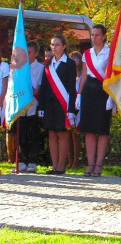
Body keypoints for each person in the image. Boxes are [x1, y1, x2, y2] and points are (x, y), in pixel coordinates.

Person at [77, 25, 114, 177]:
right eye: (92, 35)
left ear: (104, 36)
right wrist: (79, 94)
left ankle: (99, 164)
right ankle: (90, 164)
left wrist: (112, 95)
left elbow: (113, 75)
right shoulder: (87, 53)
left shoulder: (110, 52)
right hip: (89, 91)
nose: (94, 38)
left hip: (104, 91)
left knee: (102, 129)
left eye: (97, 35)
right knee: (89, 129)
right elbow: (84, 75)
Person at [38, 34, 77, 174]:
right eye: (52, 45)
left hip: (63, 103)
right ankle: (54, 166)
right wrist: (41, 106)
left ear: (64, 46)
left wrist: (71, 108)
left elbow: (72, 87)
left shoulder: (70, 63)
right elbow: (44, 86)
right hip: (49, 104)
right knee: (52, 133)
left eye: (57, 44)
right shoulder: (48, 63)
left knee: (62, 133)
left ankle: (61, 166)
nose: (54, 47)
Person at [14, 41, 45, 173]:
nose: (27, 55)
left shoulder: (40, 68)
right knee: (22, 134)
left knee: (33, 134)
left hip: (33, 105)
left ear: (36, 53)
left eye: (30, 52)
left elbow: (39, 88)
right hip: (21, 106)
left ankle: (33, 161)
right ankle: (22, 160)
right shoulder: (20, 68)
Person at [68, 51, 83, 169]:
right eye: (71, 58)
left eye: (76, 58)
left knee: (75, 135)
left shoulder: (84, 74)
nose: (74, 60)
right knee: (68, 134)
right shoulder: (69, 73)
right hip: (69, 105)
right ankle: (69, 160)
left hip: (79, 106)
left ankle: (76, 161)